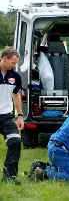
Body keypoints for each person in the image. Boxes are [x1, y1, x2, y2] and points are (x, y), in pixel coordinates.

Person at [0, 47, 24, 185]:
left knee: (15, 141)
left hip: (6, 117)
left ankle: (10, 176)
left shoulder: (15, 77)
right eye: (12, 63)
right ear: (4, 58)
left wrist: (20, 115)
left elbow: (16, 95)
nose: (14, 66)